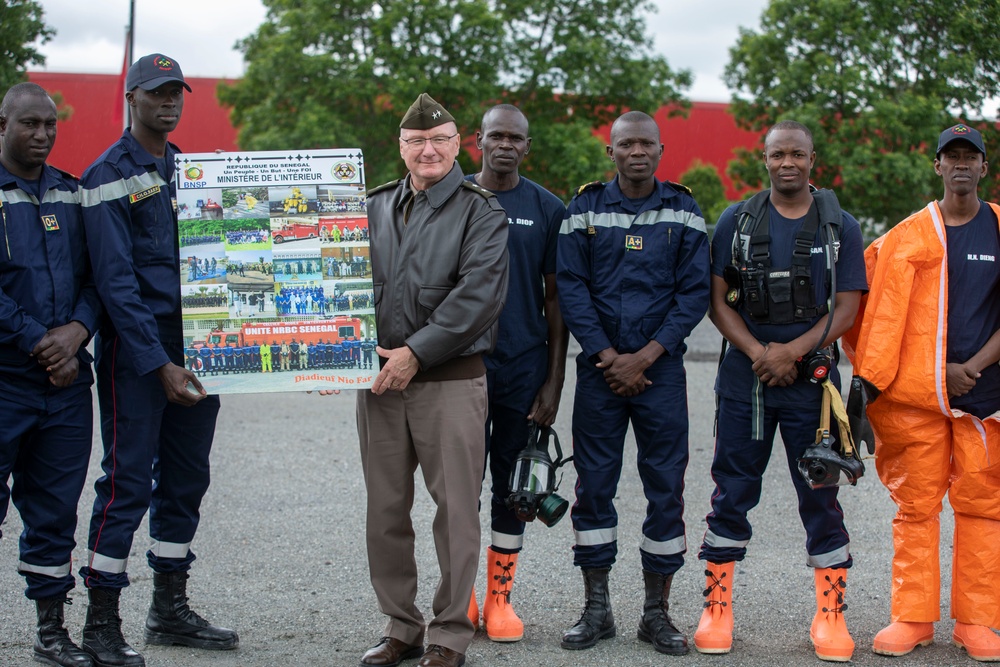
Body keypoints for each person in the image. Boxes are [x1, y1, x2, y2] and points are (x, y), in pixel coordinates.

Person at [80, 53, 238, 667]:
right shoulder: (106, 175)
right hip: (139, 358)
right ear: (132, 99)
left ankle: (168, 609)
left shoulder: (190, 172)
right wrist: (159, 364)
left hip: (202, 348)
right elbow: (116, 284)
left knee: (186, 480)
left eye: (177, 93)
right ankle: (100, 623)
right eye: (157, 93)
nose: (169, 103)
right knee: (124, 485)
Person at [696, 120, 866, 662]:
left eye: (797, 154)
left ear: (813, 159)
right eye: (777, 154)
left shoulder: (841, 225)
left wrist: (790, 352)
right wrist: (757, 353)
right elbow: (717, 300)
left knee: (821, 493)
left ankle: (831, 614)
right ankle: (717, 608)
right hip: (746, 380)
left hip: (811, 383)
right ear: (763, 159)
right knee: (732, 490)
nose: (787, 162)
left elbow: (847, 307)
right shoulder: (736, 220)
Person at [357, 92, 508, 667]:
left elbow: (477, 298)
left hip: (448, 382)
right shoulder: (371, 208)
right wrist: (328, 354)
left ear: (457, 145)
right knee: (385, 510)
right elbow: (337, 283)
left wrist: (415, 354)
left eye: (440, 140)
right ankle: (401, 626)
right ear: (400, 147)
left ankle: (449, 634)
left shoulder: (481, 211)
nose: (428, 150)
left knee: (456, 514)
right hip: (377, 386)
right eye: (417, 141)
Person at [556, 110, 710, 656]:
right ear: (611, 151)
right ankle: (596, 610)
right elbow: (571, 288)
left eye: (646, 144)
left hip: (660, 371)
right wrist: (608, 356)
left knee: (665, 487)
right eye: (626, 144)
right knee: (593, 486)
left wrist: (643, 356)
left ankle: (656, 613)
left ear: (661, 150)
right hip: (600, 372)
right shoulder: (584, 209)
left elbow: (694, 295)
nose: (636, 152)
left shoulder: (685, 211)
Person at [847, 123, 1000, 662]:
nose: (961, 165)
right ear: (937, 166)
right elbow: (875, 315)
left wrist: (972, 368)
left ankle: (977, 623)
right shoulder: (908, 236)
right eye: (951, 156)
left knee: (984, 509)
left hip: (986, 397)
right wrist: (871, 382)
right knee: (916, 507)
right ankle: (912, 618)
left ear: (984, 167)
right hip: (917, 400)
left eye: (971, 157)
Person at [0, 82, 102, 667]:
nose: (41, 135)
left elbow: (99, 276)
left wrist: (78, 331)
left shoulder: (71, 193)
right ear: (4, 124)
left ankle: (50, 631)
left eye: (49, 126)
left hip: (65, 387)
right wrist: (39, 339)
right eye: (28, 125)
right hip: (7, 379)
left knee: (55, 511)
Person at [465, 104, 568, 642]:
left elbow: (557, 302)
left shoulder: (547, 209)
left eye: (516, 138)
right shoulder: (450, 195)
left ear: (527, 147)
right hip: (457, 368)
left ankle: (500, 602)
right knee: (458, 487)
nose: (505, 144)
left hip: (522, 369)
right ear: (476, 141)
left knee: (513, 488)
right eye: (496, 135)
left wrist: (553, 382)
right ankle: (461, 596)